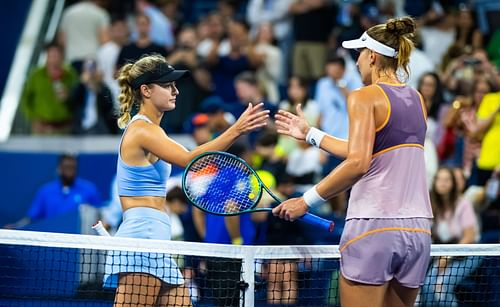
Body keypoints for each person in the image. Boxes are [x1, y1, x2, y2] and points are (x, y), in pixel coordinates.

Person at [272, 17, 433, 307]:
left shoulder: (363, 97)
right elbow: (371, 152)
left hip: (374, 226)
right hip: (417, 232)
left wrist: (305, 201)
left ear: (372, 56)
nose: (355, 62)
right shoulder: (417, 98)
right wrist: (310, 133)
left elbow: (358, 162)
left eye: (358, 54)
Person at [103, 54, 269, 306]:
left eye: (175, 85)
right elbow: (190, 159)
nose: (175, 91)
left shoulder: (154, 131)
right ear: (146, 90)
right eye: (167, 85)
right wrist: (236, 129)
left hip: (157, 234)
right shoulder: (142, 130)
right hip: (143, 237)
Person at [4, 153, 103, 229]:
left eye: (73, 168)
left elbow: (100, 216)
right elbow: (31, 219)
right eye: (67, 167)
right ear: (59, 168)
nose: (70, 171)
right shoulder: (45, 191)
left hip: (79, 243)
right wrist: (16, 227)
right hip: (52, 241)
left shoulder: (89, 189)